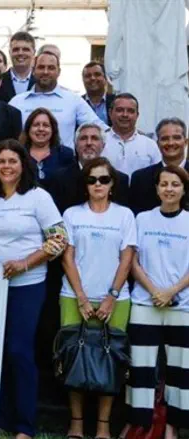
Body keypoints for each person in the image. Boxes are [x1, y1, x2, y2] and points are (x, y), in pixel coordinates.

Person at [0, 139, 67, 439]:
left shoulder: (38, 197)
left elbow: (58, 239)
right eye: (1, 161)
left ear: (23, 164)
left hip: (27, 285)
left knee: (19, 350)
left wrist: (25, 263)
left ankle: (25, 426)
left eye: (12, 161)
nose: (6, 166)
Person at [60, 157, 135, 439]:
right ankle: (76, 423)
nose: (98, 185)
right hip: (73, 295)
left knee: (110, 361)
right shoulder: (72, 214)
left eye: (103, 179)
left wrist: (111, 297)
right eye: (92, 180)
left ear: (112, 184)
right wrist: (81, 297)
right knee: (74, 357)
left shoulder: (125, 216)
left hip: (115, 299)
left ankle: (103, 426)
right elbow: (67, 257)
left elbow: (127, 257)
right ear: (85, 185)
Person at [126, 166, 189, 439]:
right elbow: (133, 261)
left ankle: (172, 428)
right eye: (164, 184)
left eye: (175, 184)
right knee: (140, 369)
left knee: (180, 370)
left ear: (184, 189)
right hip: (145, 303)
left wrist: (172, 290)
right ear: (156, 188)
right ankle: (140, 425)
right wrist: (154, 291)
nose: (169, 189)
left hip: (182, 305)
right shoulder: (142, 219)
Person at [10, 52, 105, 149]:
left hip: (64, 162)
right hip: (26, 162)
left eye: (51, 68)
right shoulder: (17, 102)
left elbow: (100, 128)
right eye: (41, 67)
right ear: (33, 71)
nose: (46, 72)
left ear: (58, 72)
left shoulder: (73, 100)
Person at [46, 122, 130, 214]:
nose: (89, 143)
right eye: (83, 138)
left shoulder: (120, 180)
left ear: (103, 145)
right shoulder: (58, 179)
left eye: (94, 138)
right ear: (75, 145)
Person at [130, 117, 189, 215]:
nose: (170, 143)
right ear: (157, 144)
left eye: (176, 138)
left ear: (186, 142)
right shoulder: (140, 179)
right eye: (165, 138)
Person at [101, 93, 161, 177]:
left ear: (137, 115)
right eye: (120, 110)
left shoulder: (150, 145)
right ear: (110, 113)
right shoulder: (100, 142)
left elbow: (159, 175)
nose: (125, 115)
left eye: (130, 111)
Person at [20, 107, 75, 181]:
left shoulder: (65, 154)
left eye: (45, 125)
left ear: (53, 129)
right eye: (36, 125)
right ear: (28, 129)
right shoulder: (19, 154)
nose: (41, 129)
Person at [0, 32, 36, 103]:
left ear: (34, 52)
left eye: (25, 49)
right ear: (9, 52)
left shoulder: (40, 82)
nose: (20, 53)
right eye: (16, 49)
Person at [81, 61, 114, 126]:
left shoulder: (115, 101)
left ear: (105, 79)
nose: (92, 78)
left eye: (97, 74)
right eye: (88, 76)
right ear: (83, 80)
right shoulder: (77, 102)